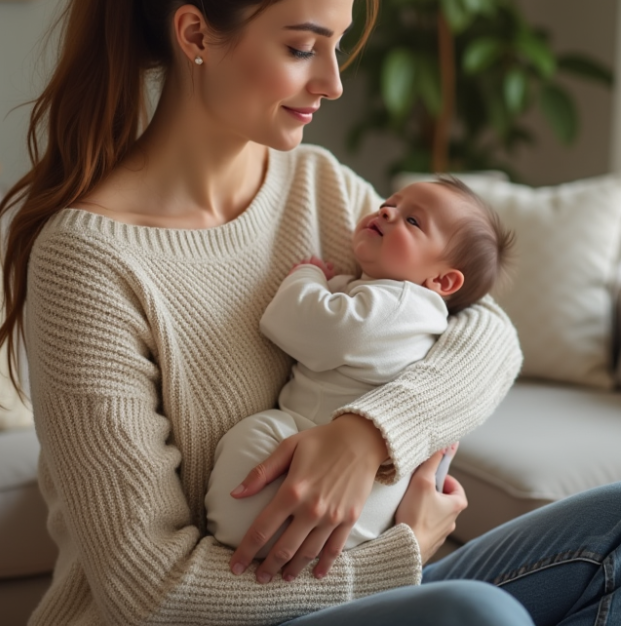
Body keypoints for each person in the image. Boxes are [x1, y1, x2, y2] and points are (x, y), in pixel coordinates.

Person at [0, 0, 621, 626]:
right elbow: (151, 592)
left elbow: (486, 333)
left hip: (341, 589)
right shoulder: (87, 260)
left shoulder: (316, 185)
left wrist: (369, 435)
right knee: (475, 617)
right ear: (196, 34)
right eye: (303, 47)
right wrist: (403, 558)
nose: (331, 82)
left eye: (338, 47)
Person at [206, 178, 513, 557]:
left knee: (256, 432)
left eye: (413, 222)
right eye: (390, 203)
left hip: (334, 483)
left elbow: (294, 322)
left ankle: (236, 528)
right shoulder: (404, 305)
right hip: (370, 503)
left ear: (442, 280)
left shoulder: (400, 303)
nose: (386, 211)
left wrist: (307, 275)